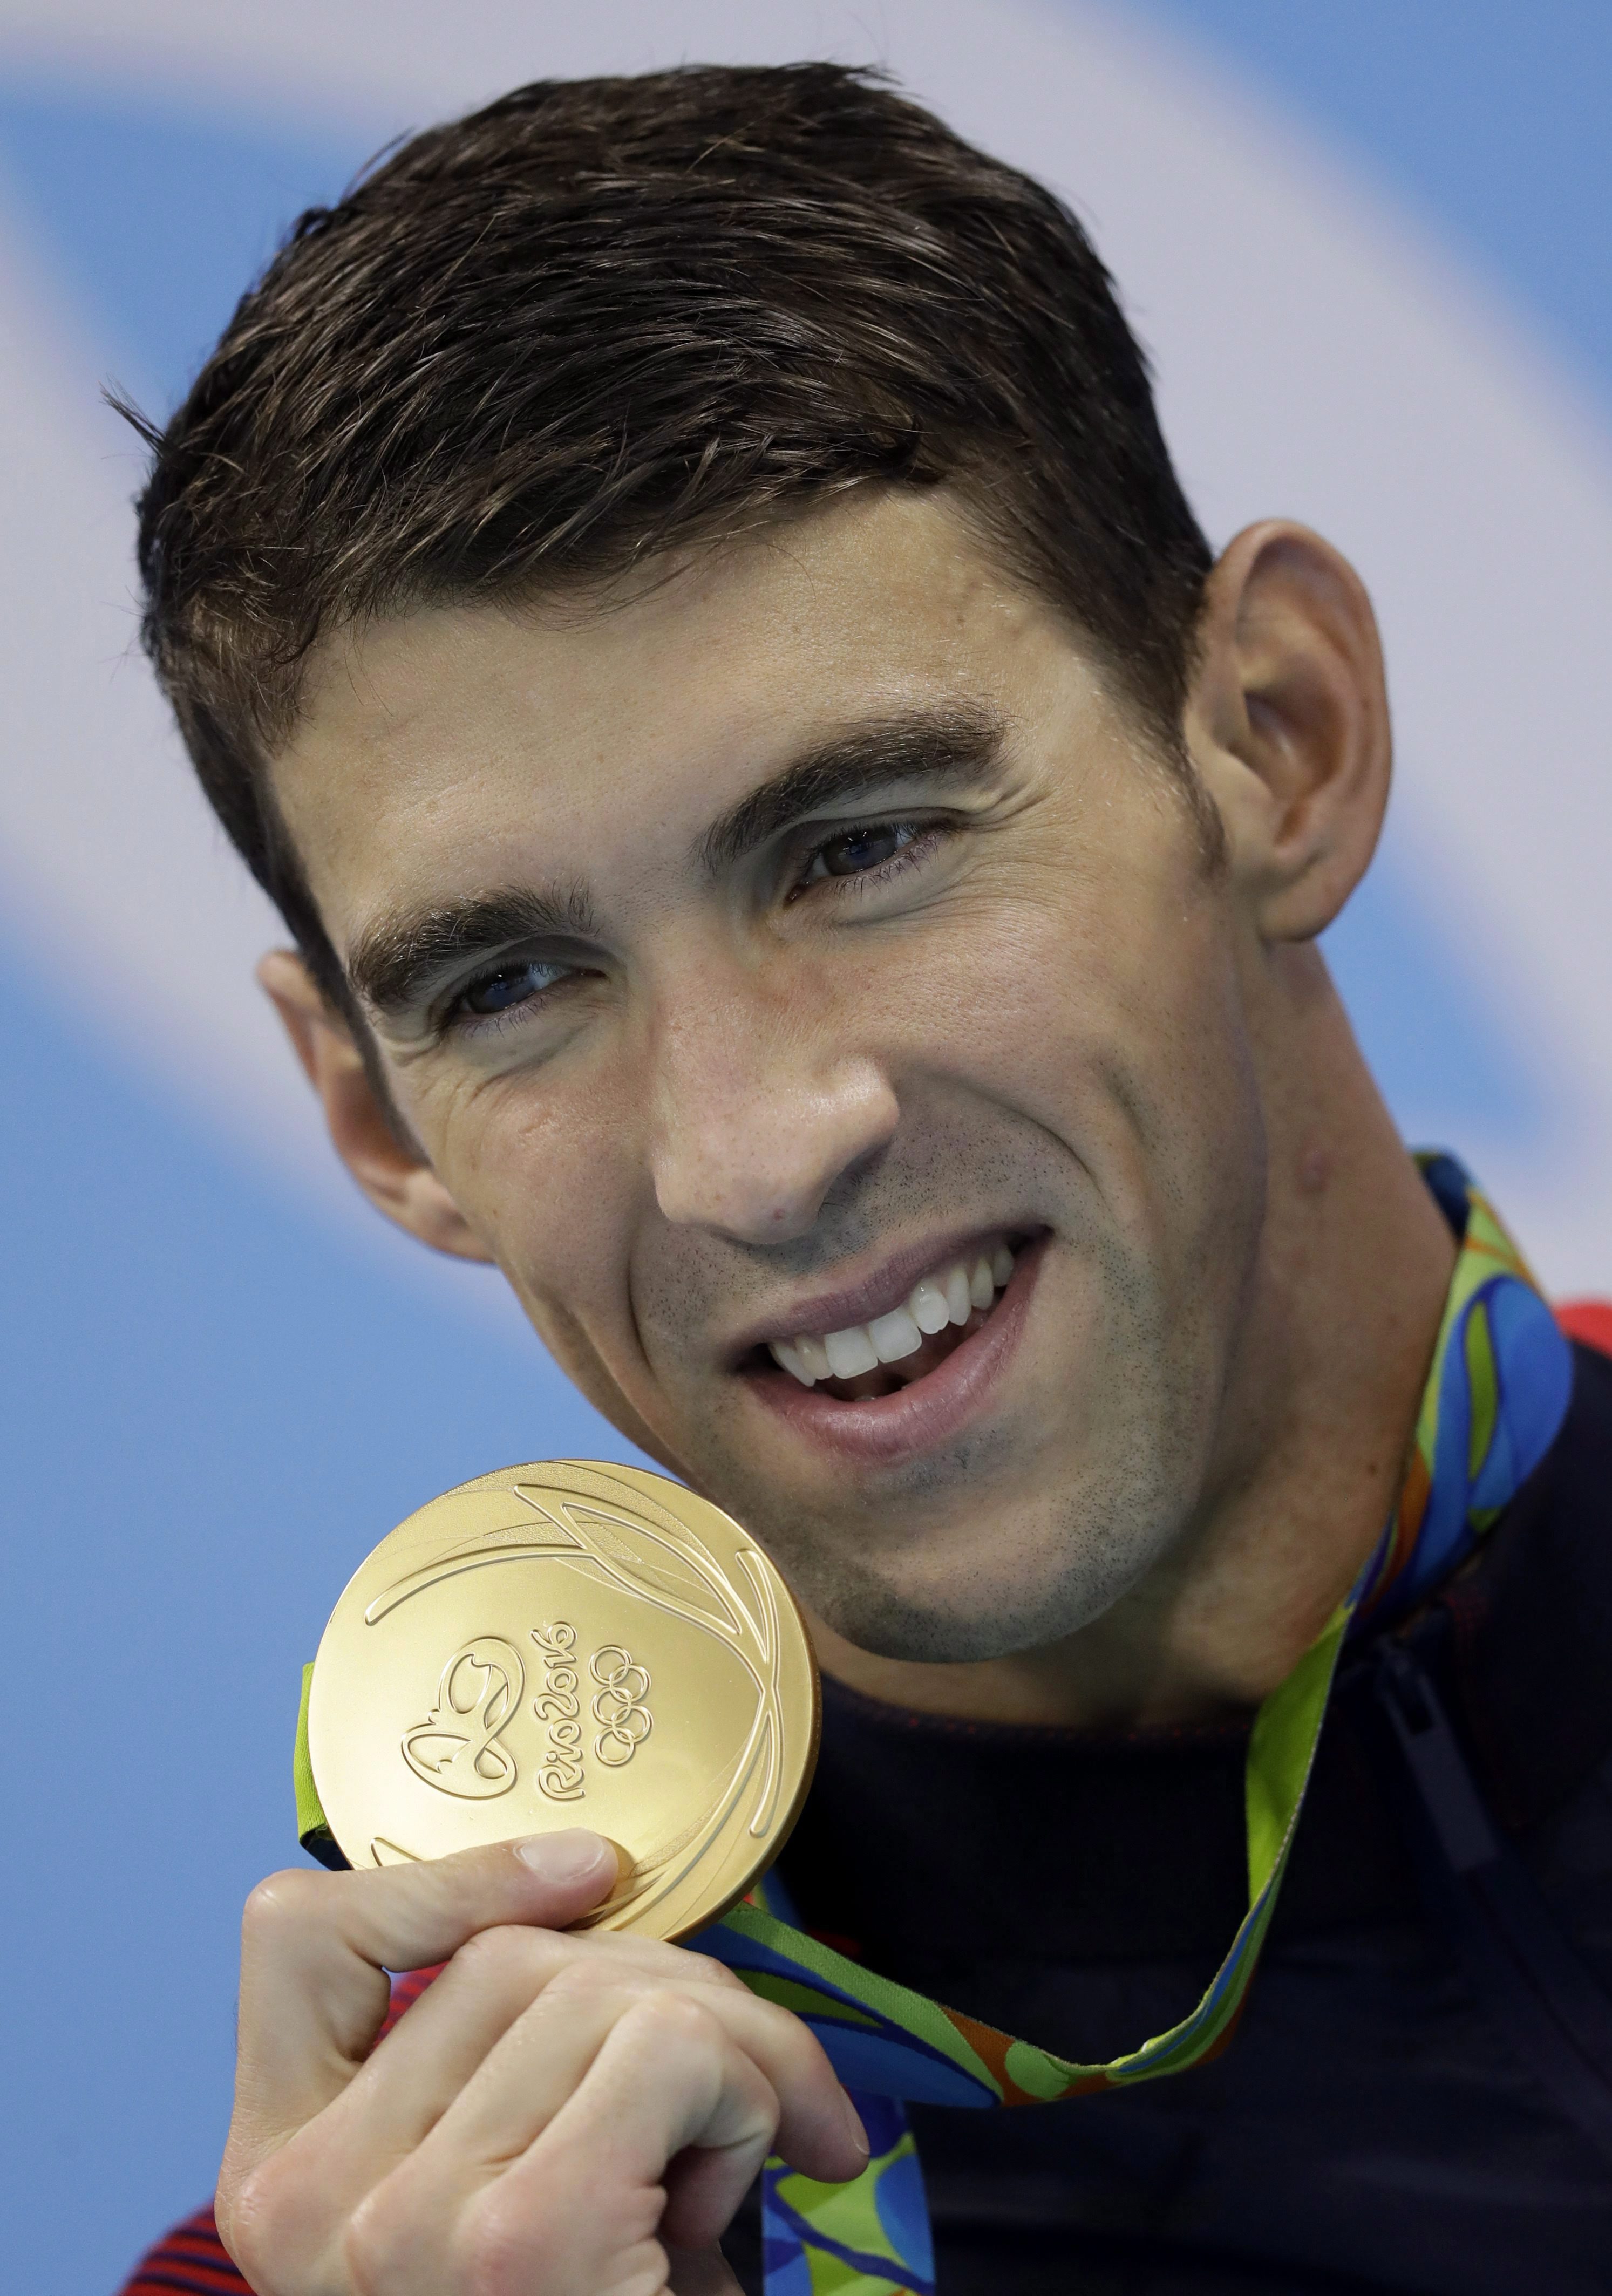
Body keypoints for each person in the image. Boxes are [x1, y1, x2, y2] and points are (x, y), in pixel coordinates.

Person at [116, 62, 1612, 2296]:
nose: (749, 1152)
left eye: (865, 844)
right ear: (374, 1113)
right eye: (517, 979)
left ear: (1279, 742)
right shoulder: (376, 2263)